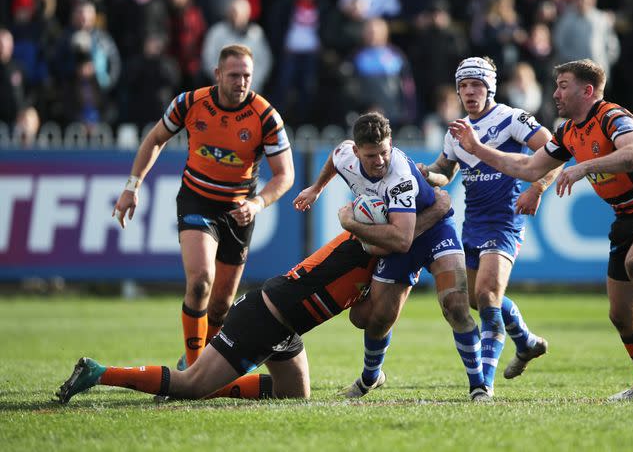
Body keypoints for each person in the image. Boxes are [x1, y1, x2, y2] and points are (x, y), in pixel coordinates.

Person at [449, 58, 633, 400]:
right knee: (622, 315)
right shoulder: (567, 131)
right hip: (625, 219)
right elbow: (528, 166)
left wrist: (584, 168)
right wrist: (477, 149)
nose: (555, 94)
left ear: (587, 90)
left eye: (563, 86)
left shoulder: (613, 116)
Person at [55, 191, 450, 404]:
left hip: (287, 324)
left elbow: (361, 316)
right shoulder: (372, 235)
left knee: (293, 395)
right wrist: (441, 210)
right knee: (190, 386)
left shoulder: (384, 253)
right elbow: (403, 237)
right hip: (267, 316)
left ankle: (214, 375)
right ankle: (99, 372)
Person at [112, 44, 294, 372]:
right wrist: (132, 187)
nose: (241, 82)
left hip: (239, 210)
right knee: (200, 280)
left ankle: (201, 363)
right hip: (197, 200)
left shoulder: (265, 116)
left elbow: (285, 174)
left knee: (221, 307)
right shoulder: (190, 103)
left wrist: (258, 203)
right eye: (235, 75)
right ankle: (194, 370)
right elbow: (154, 139)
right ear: (218, 74)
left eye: (247, 76)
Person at [293, 111, 489, 401]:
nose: (380, 161)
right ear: (357, 151)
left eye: (384, 152)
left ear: (391, 144)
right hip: (401, 236)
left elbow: (402, 239)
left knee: (456, 305)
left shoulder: (399, 176)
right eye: (371, 155)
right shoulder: (346, 156)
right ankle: (371, 378)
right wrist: (317, 188)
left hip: (434, 230)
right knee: (372, 319)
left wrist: (351, 224)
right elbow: (335, 156)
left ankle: (479, 386)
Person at [416, 56, 559, 395]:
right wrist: (428, 174)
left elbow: (556, 150)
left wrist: (537, 188)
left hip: (505, 220)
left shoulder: (513, 118)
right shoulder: (457, 130)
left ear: (490, 86)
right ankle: (525, 342)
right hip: (474, 223)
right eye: (463, 85)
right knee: (478, 300)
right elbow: (445, 171)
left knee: (489, 297)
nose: (468, 91)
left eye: (476, 84)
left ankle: (484, 387)